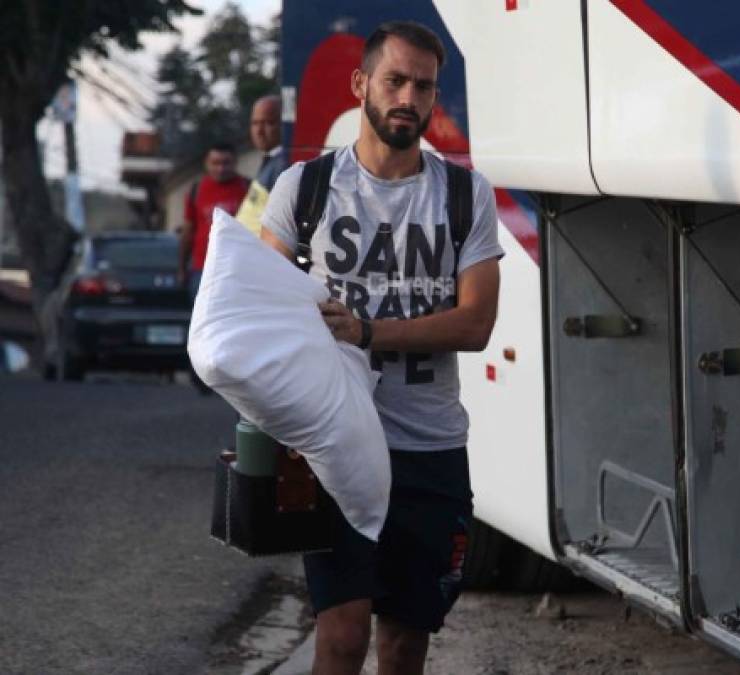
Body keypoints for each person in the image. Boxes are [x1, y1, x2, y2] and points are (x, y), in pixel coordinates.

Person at [259, 20, 503, 675]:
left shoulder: (462, 194)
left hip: (430, 450)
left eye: (423, 86)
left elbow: (476, 322)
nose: (408, 97)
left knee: (403, 643)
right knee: (340, 637)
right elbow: (257, 313)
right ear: (361, 83)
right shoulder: (304, 190)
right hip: (335, 448)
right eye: (394, 80)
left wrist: (367, 332)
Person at [177, 142, 249, 299]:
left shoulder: (248, 188)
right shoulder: (196, 190)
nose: (221, 169)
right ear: (206, 163)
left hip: (237, 269)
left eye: (226, 163)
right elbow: (188, 232)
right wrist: (182, 267)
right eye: (215, 163)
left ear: (235, 162)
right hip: (202, 269)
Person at [236, 95, 288, 235]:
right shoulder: (271, 160)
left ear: (285, 124)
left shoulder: (284, 164)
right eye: (255, 123)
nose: (259, 131)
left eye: (268, 123)